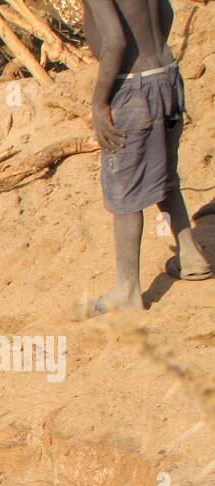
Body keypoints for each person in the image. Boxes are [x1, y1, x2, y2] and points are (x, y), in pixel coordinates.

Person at [81, 0, 211, 317]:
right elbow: (165, 14)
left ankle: (126, 292)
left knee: (125, 191)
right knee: (163, 171)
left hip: (133, 87)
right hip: (168, 76)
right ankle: (190, 256)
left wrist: (99, 103)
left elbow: (115, 41)